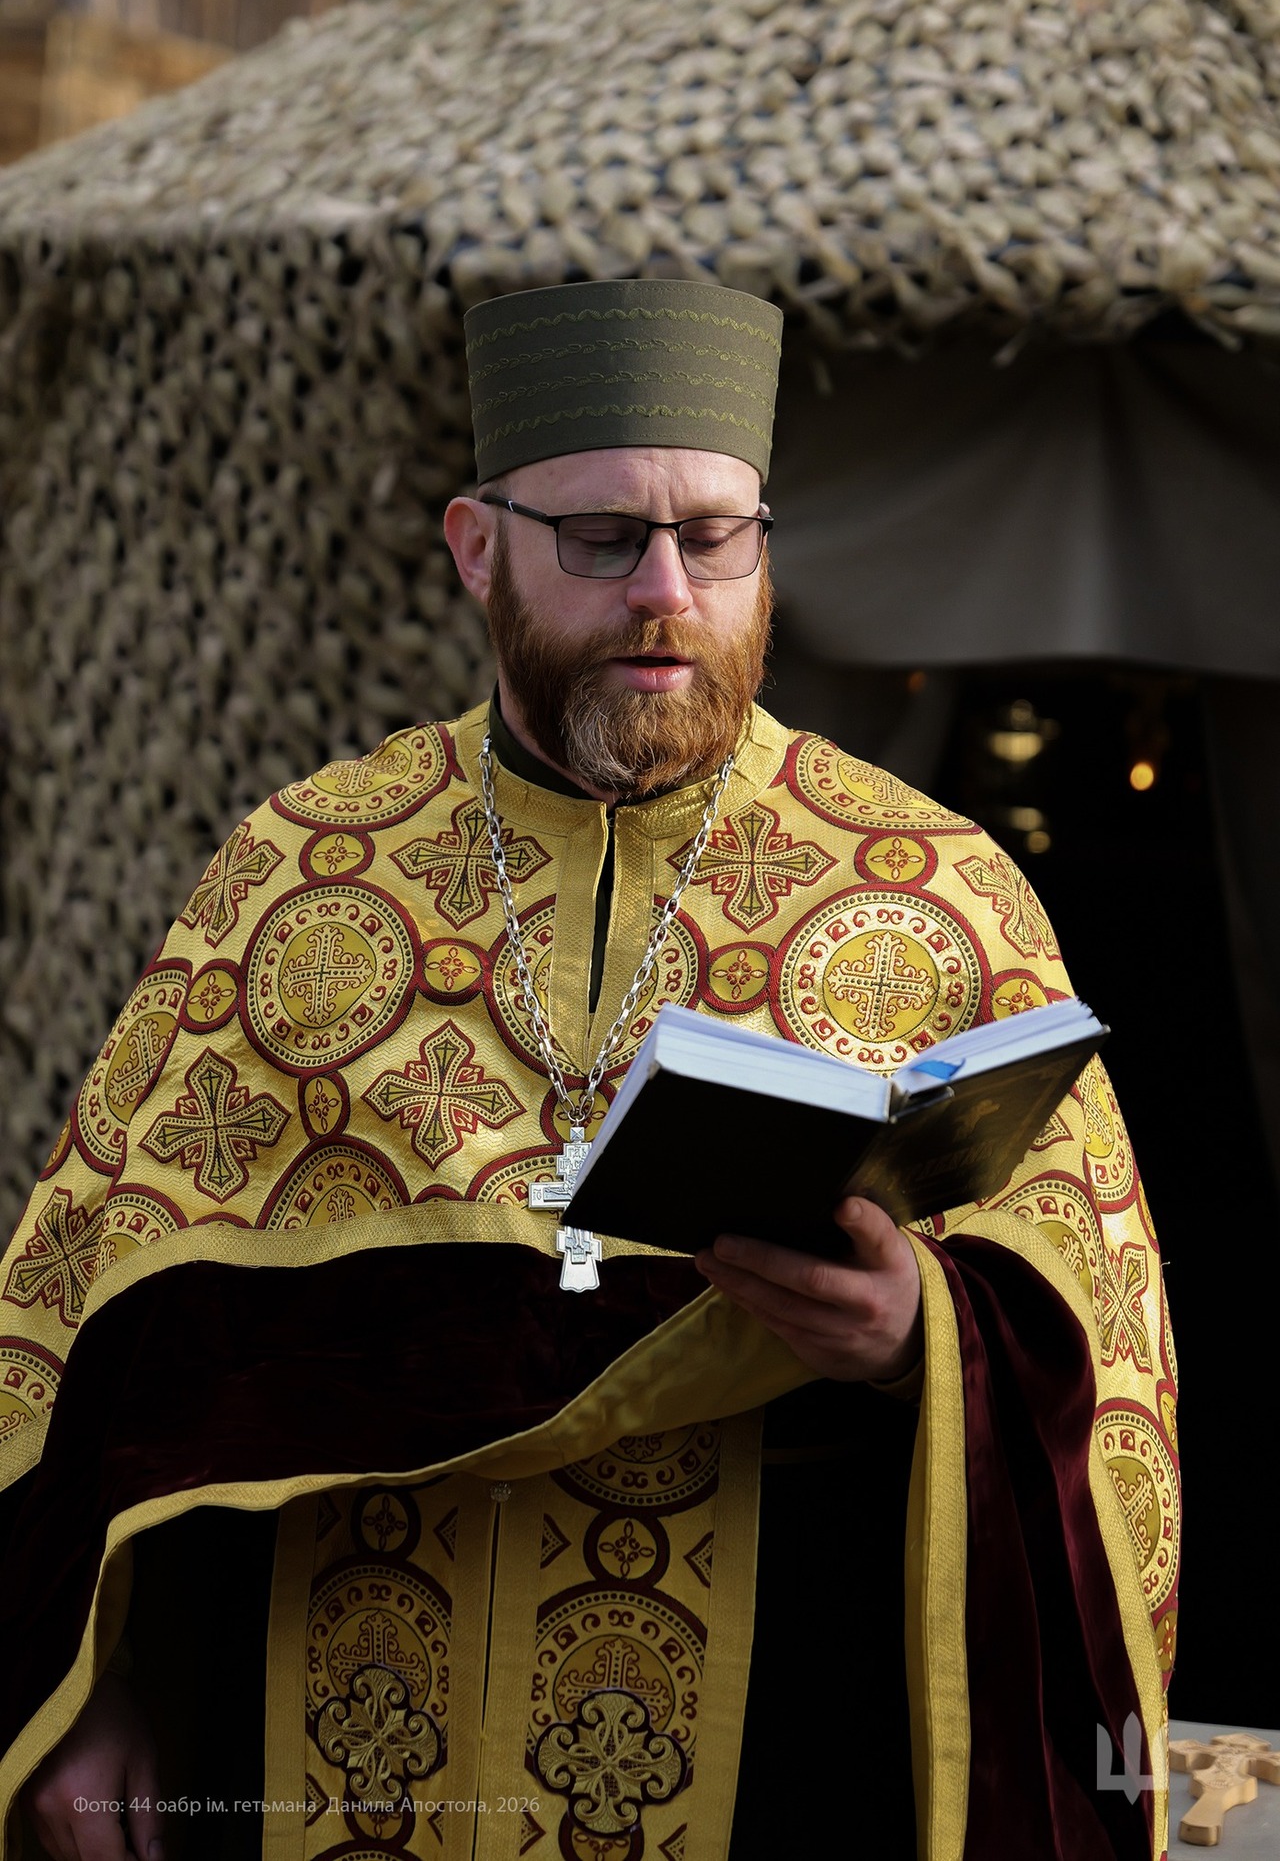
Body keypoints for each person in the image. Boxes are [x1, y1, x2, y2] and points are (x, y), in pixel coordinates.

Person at [0, 280, 1178, 1861]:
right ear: (476, 548)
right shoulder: (296, 881)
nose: (666, 592)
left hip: (780, 1765)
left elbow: (1110, 1357)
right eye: (604, 538)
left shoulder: (935, 893)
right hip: (323, 1731)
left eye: (717, 536)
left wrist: (926, 1337)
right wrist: (74, 1693)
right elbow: (76, 1340)